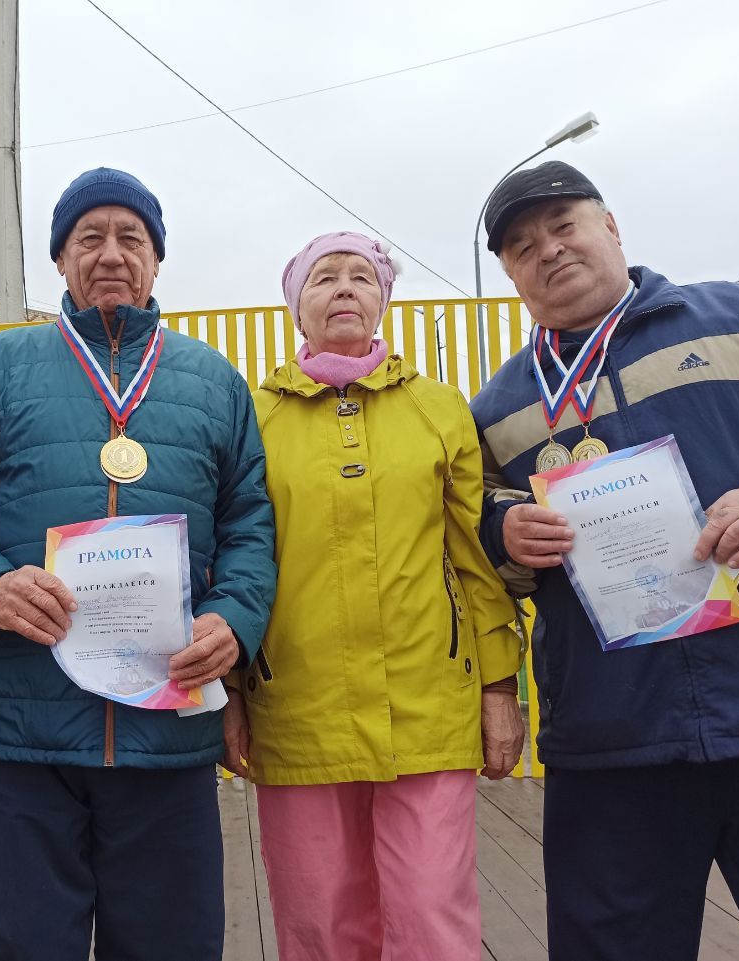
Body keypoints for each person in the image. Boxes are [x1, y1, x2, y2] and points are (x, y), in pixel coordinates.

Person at [0, 167, 276, 961]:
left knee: (171, 942)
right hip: (26, 719)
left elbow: (250, 519)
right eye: (89, 238)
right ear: (61, 261)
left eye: (130, 237)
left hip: (165, 720)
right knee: (27, 942)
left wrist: (233, 619)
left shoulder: (212, 380)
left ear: (157, 259)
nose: (111, 253)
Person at [470, 160, 739, 960]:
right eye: (523, 245)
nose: (549, 250)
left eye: (564, 225)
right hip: (614, 738)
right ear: (508, 272)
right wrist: (505, 532)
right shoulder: (496, 407)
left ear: (611, 227)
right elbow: (470, 532)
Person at [220, 231, 524, 961]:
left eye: (362, 276)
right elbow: (234, 558)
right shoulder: (252, 418)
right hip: (297, 709)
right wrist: (233, 690)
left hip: (428, 707)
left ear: (384, 300)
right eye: (325, 278)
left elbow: (474, 562)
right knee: (320, 921)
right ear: (298, 306)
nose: (345, 288)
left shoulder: (439, 409)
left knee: (431, 916)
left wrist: (499, 685)